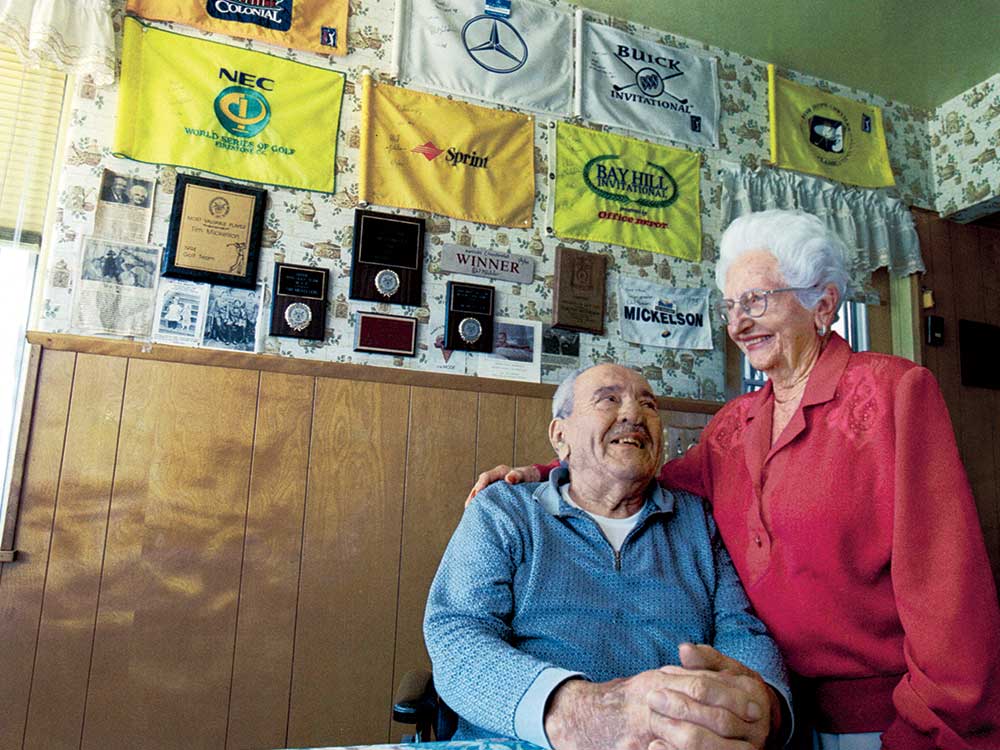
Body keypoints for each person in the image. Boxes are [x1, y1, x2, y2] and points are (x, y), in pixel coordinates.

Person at [467, 209, 1000, 749]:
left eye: (756, 300)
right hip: (770, 717)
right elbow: (649, 475)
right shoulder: (735, 425)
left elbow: (949, 593)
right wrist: (544, 473)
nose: (738, 323)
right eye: (730, 306)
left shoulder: (892, 394)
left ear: (823, 304)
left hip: (886, 722)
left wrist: (926, 734)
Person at [427, 363, 793, 750]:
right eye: (609, 400)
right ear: (560, 435)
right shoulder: (504, 510)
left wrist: (760, 705)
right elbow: (457, 635)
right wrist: (576, 713)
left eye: (649, 404)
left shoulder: (697, 521)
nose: (635, 414)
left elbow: (742, 631)